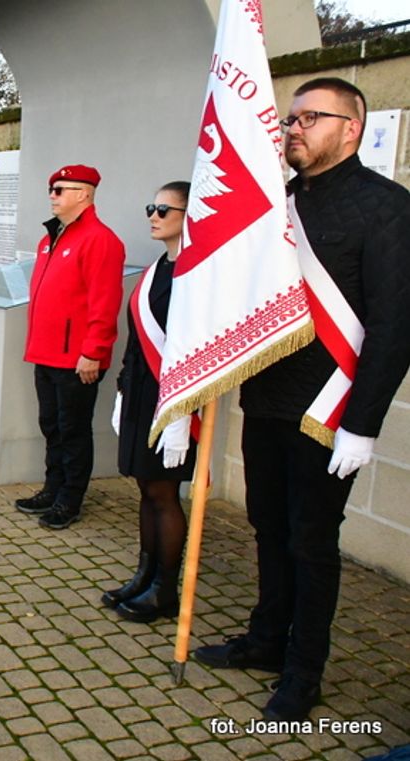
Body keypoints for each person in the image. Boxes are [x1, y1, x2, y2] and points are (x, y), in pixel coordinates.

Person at [194, 77, 410, 721]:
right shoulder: (277, 206)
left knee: (311, 543)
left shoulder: (387, 208)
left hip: (329, 412)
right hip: (266, 402)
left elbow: (395, 326)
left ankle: (303, 672)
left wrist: (362, 426)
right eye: (290, 118)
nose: (294, 127)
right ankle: (266, 639)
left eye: (311, 118)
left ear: (351, 128)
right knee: (267, 529)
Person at [103, 182, 195, 623]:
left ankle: (165, 588)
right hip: (141, 390)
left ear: (188, 213)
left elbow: (197, 349)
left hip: (174, 399)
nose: (153, 216)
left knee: (164, 492)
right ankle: (144, 574)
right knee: (144, 487)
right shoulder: (158, 268)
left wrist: (182, 413)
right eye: (150, 208)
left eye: (164, 208)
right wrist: (123, 389)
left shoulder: (197, 272)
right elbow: (137, 341)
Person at [17, 165, 125, 530]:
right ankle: (53, 486)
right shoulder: (50, 239)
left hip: (76, 357)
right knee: (51, 424)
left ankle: (70, 498)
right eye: (51, 188)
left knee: (73, 429)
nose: (52, 194)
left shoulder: (100, 240)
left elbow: (104, 302)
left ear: (84, 193)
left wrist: (94, 350)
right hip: (46, 352)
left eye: (60, 189)